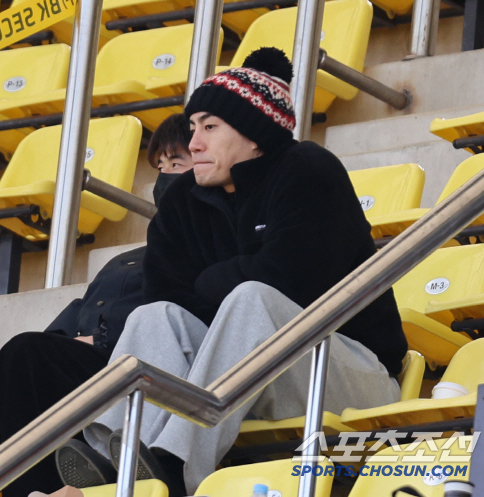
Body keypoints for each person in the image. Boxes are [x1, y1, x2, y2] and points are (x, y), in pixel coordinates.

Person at [58, 48, 408, 496]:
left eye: (210, 127)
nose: (194, 143)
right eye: (192, 129)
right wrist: (229, 280)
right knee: (155, 317)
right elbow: (165, 291)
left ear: (255, 135)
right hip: (247, 378)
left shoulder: (309, 172)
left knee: (252, 299)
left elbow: (289, 280)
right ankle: (118, 459)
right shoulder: (183, 202)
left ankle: (173, 464)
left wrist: (211, 282)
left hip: (348, 373)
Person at [0, 113, 194, 497]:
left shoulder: (213, 242)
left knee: (29, 355)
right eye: (159, 166)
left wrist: (101, 342)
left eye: (176, 163)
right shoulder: (126, 259)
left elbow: (188, 317)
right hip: (59, 371)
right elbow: (66, 326)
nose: (164, 176)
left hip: (131, 371)